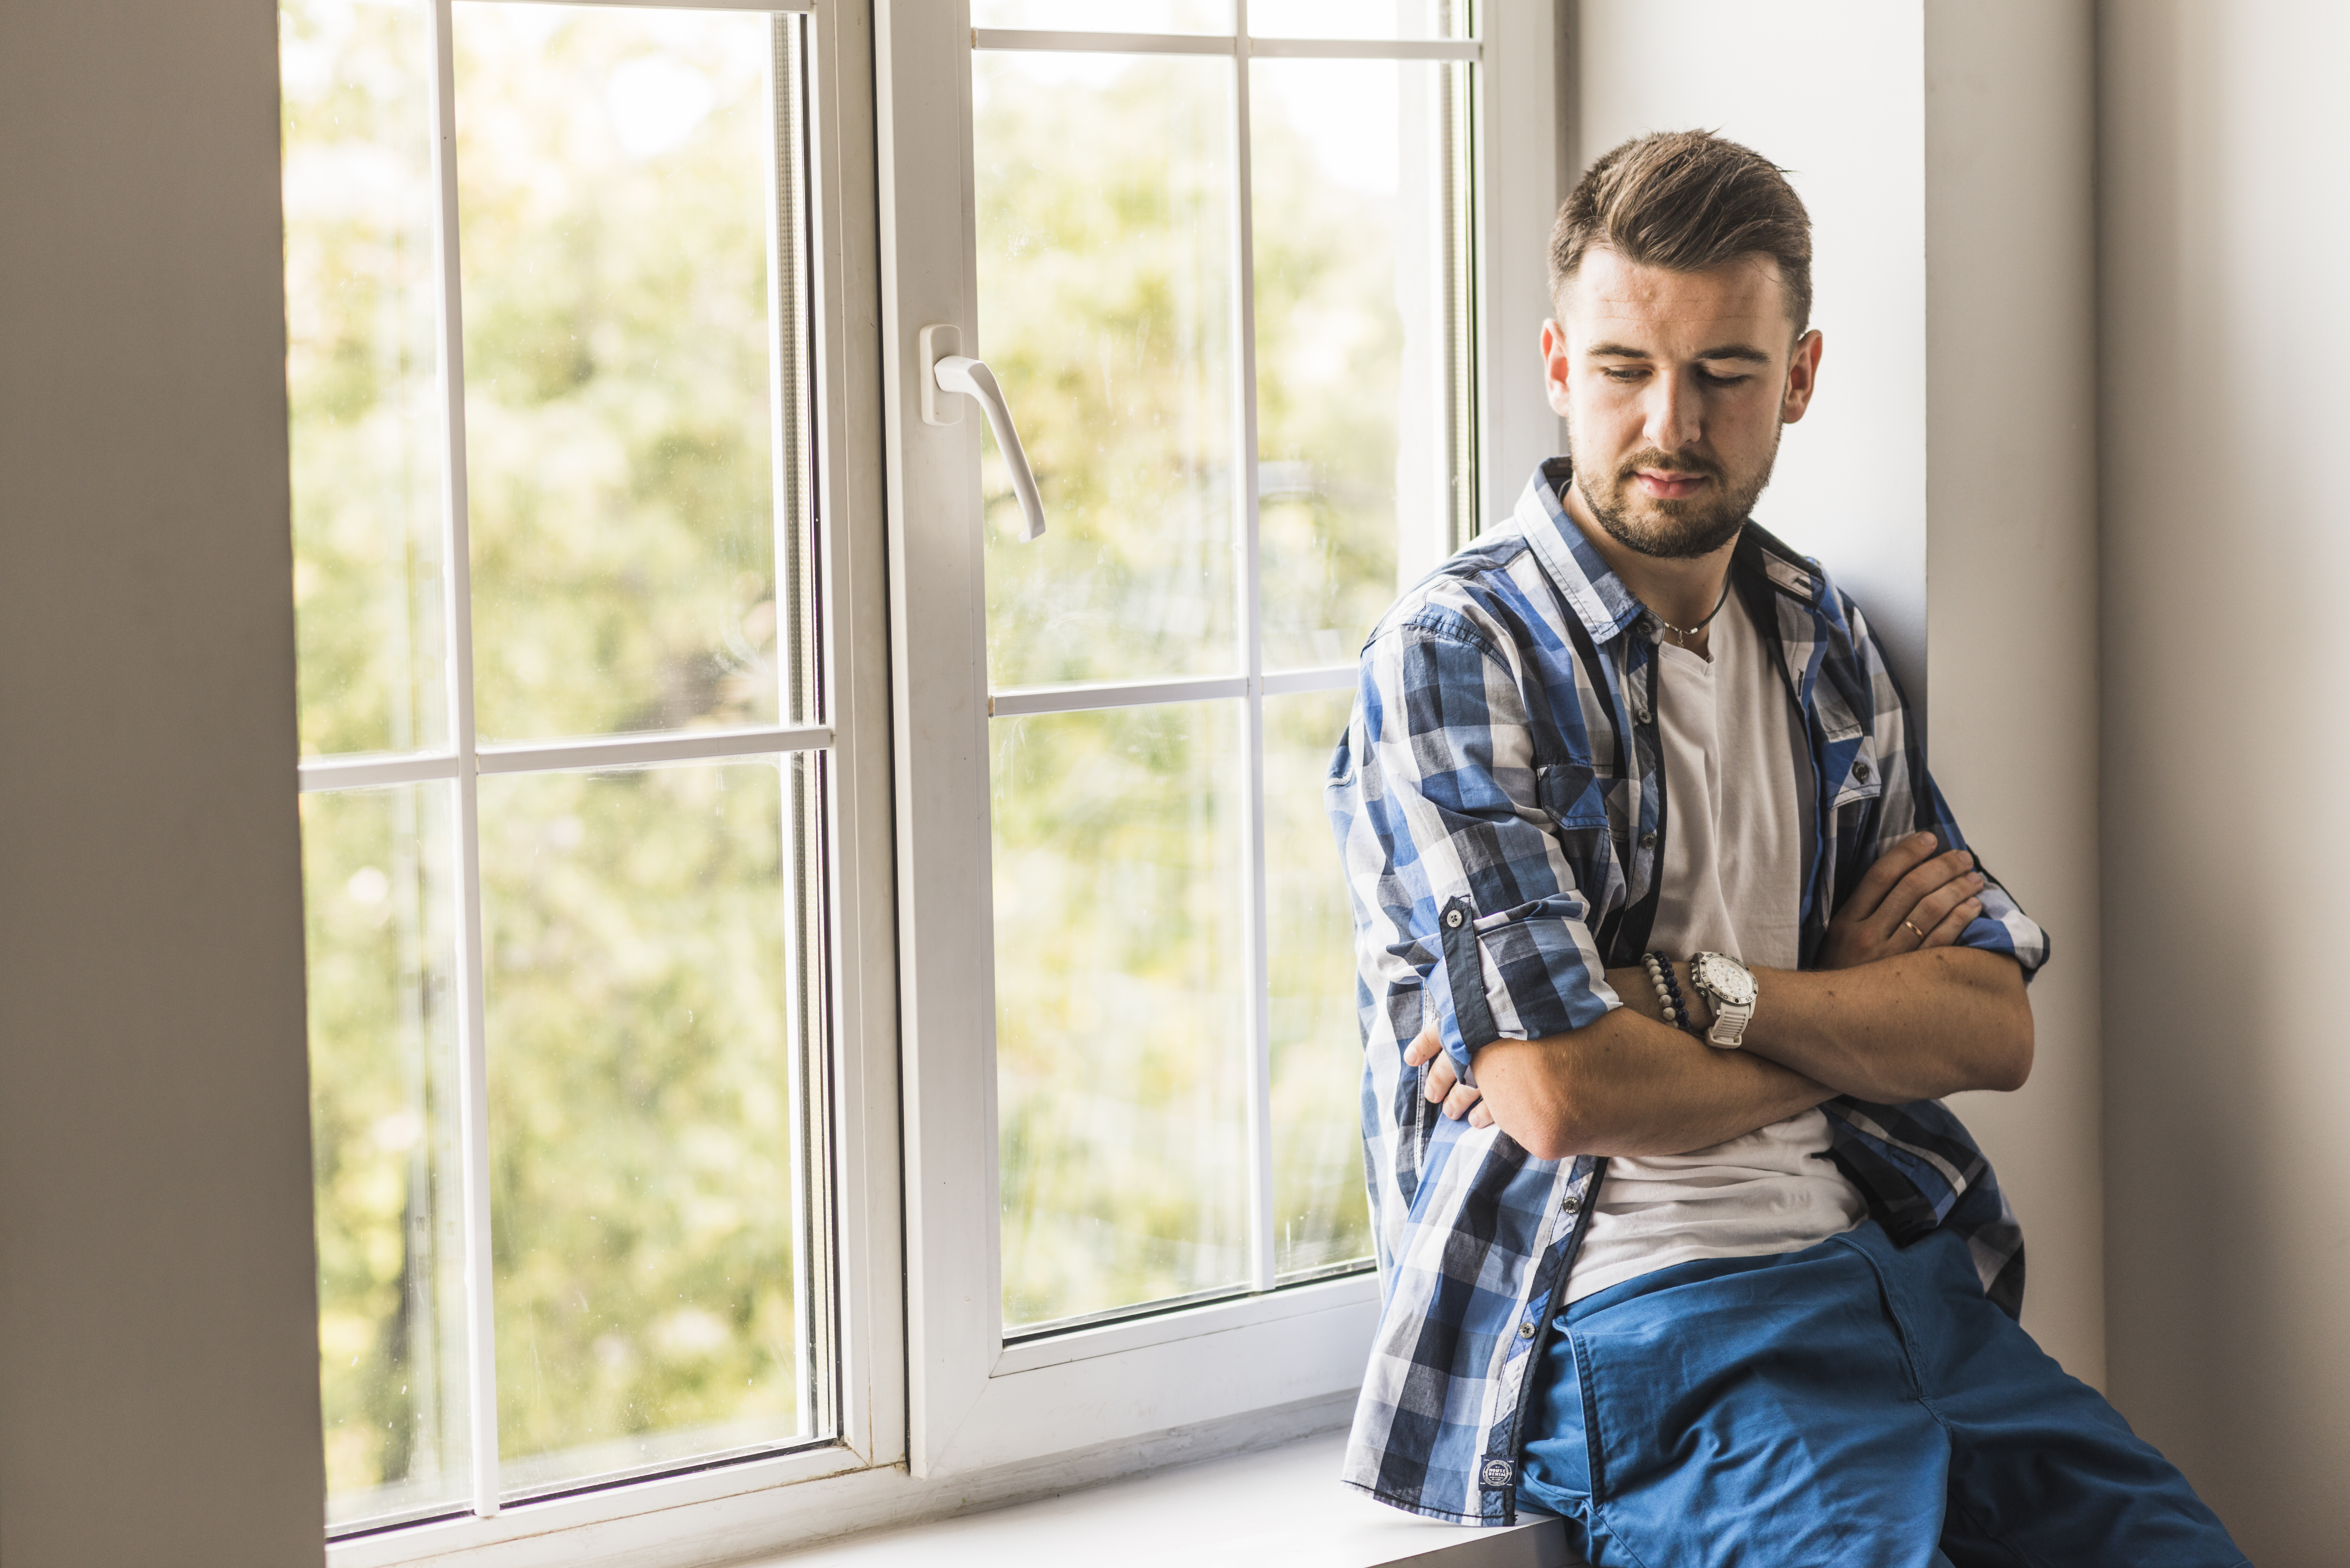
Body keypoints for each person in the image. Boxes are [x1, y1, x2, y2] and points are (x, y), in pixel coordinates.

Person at [1326, 129, 2244, 1567]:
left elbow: (1988, 1022)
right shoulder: (1458, 656)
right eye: (1625, 370)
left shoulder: (1818, 636)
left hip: (1898, 1286)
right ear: (1560, 367)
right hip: (1647, 1323)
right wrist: (1831, 1004)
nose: (1669, 424)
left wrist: (1686, 991)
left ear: (1798, 379)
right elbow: (1562, 1092)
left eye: (1725, 375)